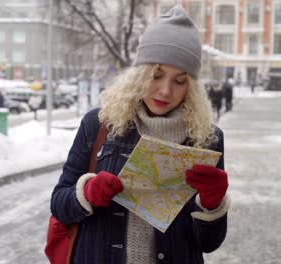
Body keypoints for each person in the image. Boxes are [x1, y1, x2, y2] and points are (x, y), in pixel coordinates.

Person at [50, 4, 230, 263]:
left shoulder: (207, 139)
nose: (166, 90)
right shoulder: (99, 124)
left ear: (192, 87)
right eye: (156, 75)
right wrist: (87, 192)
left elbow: (208, 242)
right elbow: (59, 204)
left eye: (180, 81)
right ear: (139, 75)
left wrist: (212, 204)